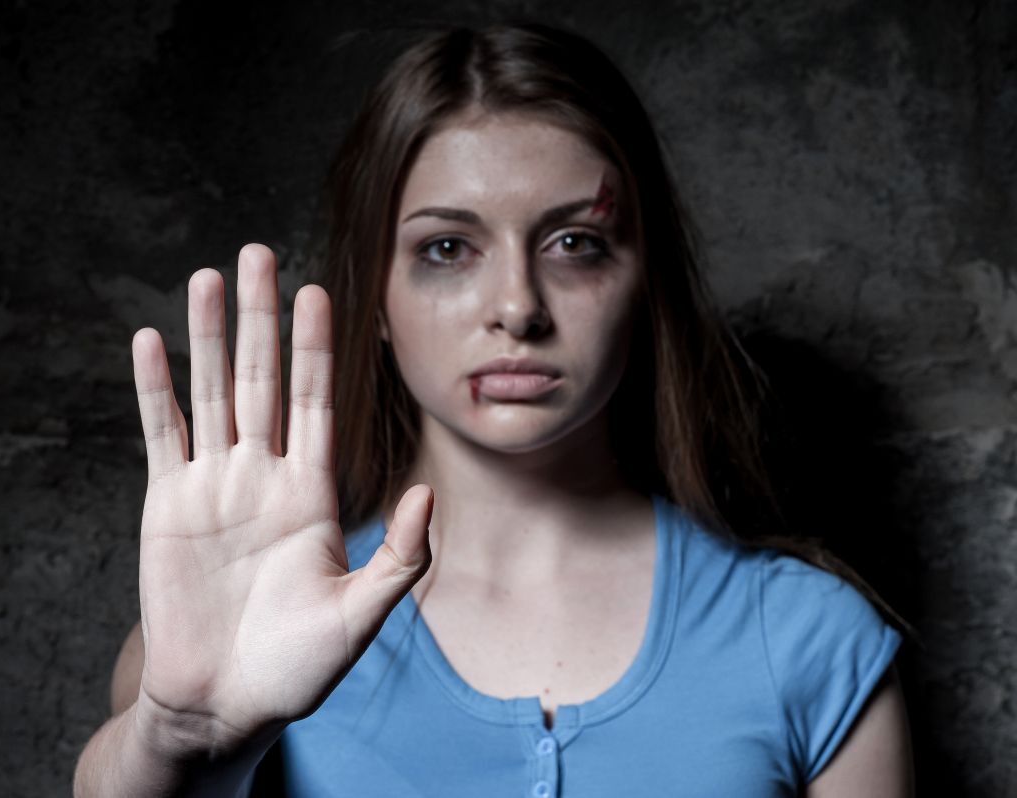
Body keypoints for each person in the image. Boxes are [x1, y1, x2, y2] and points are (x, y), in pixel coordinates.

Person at [74, 22, 914, 797]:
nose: (517, 306)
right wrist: (179, 736)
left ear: (646, 282)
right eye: (447, 248)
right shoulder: (247, 626)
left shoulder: (807, 637)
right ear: (376, 296)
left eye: (576, 244)